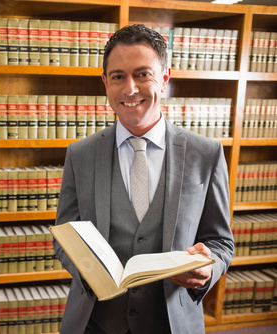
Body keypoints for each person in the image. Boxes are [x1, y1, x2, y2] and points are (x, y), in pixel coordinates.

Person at [53, 24, 234, 334]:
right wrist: (89, 270)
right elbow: (65, 238)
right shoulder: (79, 154)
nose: (130, 89)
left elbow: (220, 242)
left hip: (172, 322)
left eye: (142, 74)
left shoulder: (207, 154)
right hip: (94, 323)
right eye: (118, 76)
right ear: (105, 83)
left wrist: (209, 266)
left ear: (163, 79)